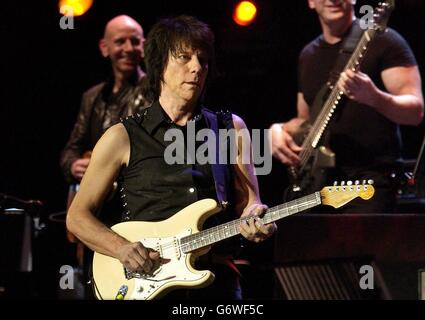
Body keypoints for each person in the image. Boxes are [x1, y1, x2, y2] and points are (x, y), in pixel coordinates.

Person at [66, 15, 276, 300]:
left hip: (216, 283)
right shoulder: (122, 137)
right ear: (159, 64)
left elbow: (250, 202)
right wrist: (121, 248)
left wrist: (256, 218)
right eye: (183, 57)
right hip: (147, 282)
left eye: (202, 59)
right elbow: (78, 217)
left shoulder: (232, 128)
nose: (196, 68)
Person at [270, 0, 424, 213]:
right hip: (321, 186)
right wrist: (280, 129)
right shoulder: (308, 55)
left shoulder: (384, 40)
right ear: (311, 2)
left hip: (369, 184)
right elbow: (305, 122)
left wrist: (374, 97)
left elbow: (415, 112)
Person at [60, 15, 149, 298]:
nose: (128, 47)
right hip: (96, 212)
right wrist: (73, 164)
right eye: (120, 41)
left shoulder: (155, 92)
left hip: (133, 210)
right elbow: (70, 148)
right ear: (104, 47)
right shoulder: (92, 97)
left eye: (134, 41)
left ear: (144, 46)